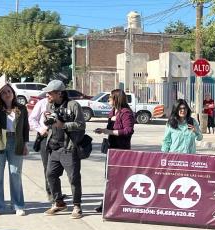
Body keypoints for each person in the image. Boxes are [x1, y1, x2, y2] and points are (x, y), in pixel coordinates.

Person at [42, 79, 85, 219]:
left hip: (68, 148)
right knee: (50, 175)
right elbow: (49, 124)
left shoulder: (73, 105)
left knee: (73, 178)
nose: (47, 95)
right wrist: (46, 120)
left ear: (59, 93)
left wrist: (64, 125)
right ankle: (58, 202)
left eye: (50, 93)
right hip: (54, 147)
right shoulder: (50, 105)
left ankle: (77, 206)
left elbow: (81, 124)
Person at [0, 77, 29, 217]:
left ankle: (18, 205)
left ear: (13, 93)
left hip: (15, 142)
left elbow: (25, 128)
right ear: (0, 95)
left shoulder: (21, 109)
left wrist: (25, 145)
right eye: (3, 92)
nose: (7, 94)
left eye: (9, 91)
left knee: (15, 174)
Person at [93, 89, 135, 213]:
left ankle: (117, 204)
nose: (108, 100)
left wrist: (109, 132)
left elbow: (128, 131)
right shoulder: (113, 111)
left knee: (118, 178)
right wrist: (103, 130)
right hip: (111, 148)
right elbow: (110, 128)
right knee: (109, 177)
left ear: (117, 99)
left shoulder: (126, 112)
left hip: (121, 150)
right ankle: (106, 203)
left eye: (110, 98)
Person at [28, 91, 52, 200]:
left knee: (58, 168)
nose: (48, 96)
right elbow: (32, 119)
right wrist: (40, 129)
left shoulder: (65, 104)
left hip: (61, 138)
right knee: (47, 166)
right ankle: (51, 192)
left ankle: (56, 190)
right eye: (47, 94)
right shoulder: (42, 103)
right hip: (45, 138)